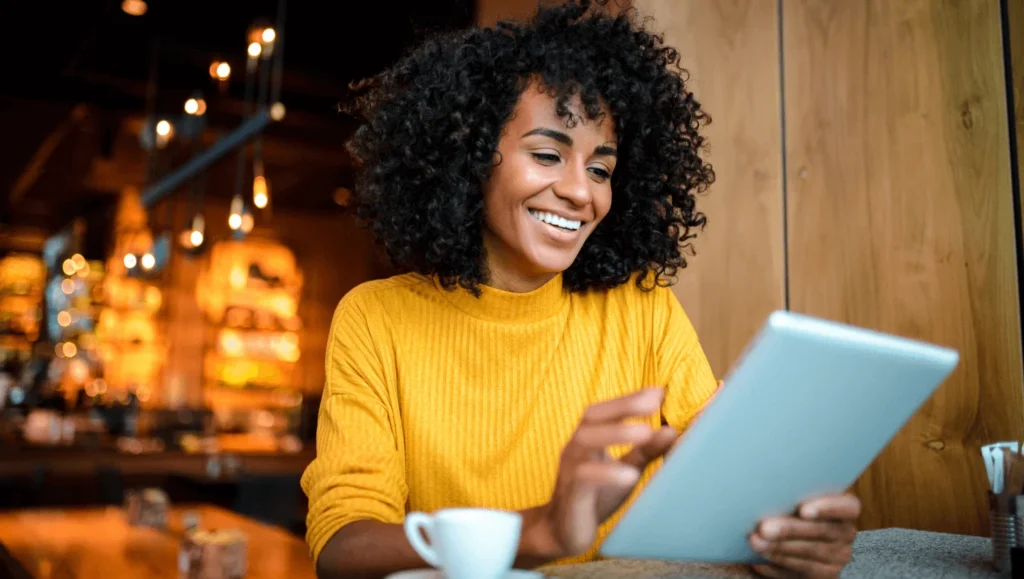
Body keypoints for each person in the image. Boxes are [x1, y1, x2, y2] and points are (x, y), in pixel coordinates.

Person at [301, 2, 860, 578]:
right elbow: (343, 548)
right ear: (468, 159)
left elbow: (728, 481)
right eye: (547, 155)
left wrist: (788, 532)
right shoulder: (376, 319)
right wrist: (540, 530)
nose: (579, 192)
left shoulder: (643, 308)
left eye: (600, 169)